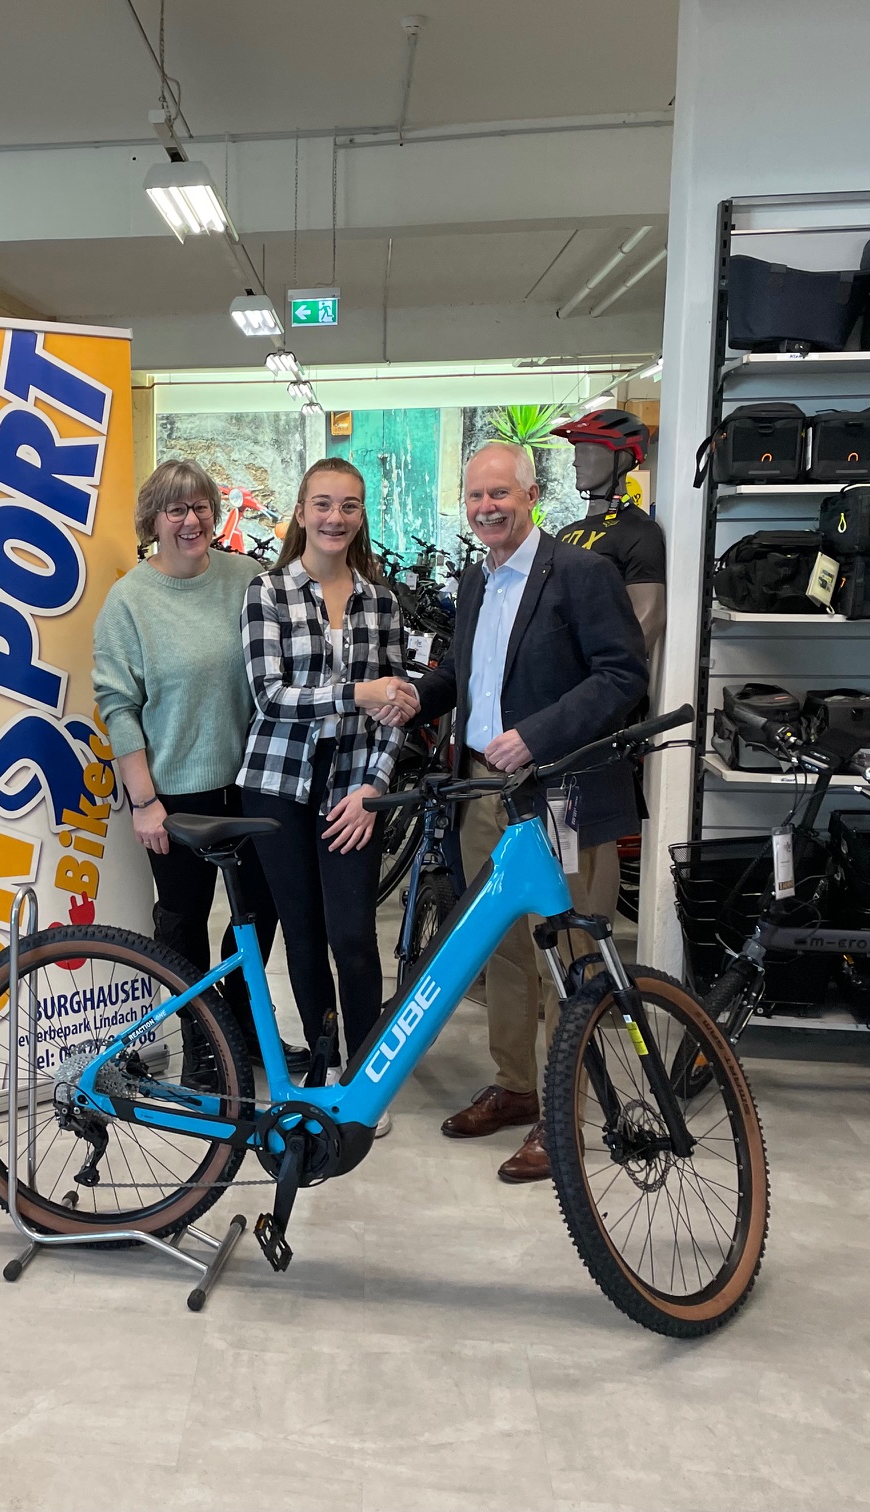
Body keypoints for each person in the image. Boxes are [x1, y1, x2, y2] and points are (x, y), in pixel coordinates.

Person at [408, 442, 648, 1183]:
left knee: (568, 955)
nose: (487, 508)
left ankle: (561, 1109)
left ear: (533, 494)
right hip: (489, 794)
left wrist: (537, 736)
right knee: (504, 948)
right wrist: (421, 694)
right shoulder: (476, 580)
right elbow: (470, 671)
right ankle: (516, 1084)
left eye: (500, 495)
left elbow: (624, 676)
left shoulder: (583, 574)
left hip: (562, 793)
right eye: (476, 496)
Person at [92, 459, 300, 1071]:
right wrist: (143, 800)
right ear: (153, 520)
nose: (192, 520)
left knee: (258, 915)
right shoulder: (129, 600)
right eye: (176, 509)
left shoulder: (248, 577)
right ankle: (201, 1044)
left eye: (202, 506)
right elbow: (118, 705)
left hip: (257, 783)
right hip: (177, 795)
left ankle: (243, 1030)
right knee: (183, 923)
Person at [236, 458, 415, 1131]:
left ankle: (365, 1076)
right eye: (322, 504)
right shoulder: (267, 593)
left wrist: (374, 785)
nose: (334, 518)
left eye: (348, 506)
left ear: (361, 515)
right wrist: (356, 694)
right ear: (302, 511)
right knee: (303, 935)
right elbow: (270, 696)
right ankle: (320, 1065)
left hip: (354, 783)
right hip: (278, 784)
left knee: (353, 933)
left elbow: (396, 708)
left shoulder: (383, 601)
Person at [551, 409, 666, 664]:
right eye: (576, 450)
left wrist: (609, 678)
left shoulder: (639, 531)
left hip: (601, 686)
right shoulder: (566, 533)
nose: (576, 461)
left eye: (588, 450)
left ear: (623, 458)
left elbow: (649, 617)